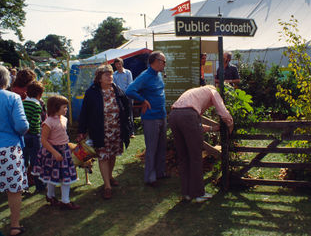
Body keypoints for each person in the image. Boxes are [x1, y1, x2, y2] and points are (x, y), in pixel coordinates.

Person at [168, 85, 234, 203]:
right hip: (188, 116)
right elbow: (223, 111)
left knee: (183, 157)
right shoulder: (212, 91)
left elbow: (194, 124)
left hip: (173, 116)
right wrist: (230, 125)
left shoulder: (193, 93)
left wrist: (213, 129)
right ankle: (198, 193)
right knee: (195, 157)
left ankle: (186, 193)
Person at [78, 64, 134, 199]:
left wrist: (129, 127)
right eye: (107, 75)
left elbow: (127, 109)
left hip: (116, 130)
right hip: (100, 130)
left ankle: (109, 176)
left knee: (113, 154)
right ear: (99, 78)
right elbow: (84, 112)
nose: (110, 77)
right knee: (103, 156)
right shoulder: (92, 92)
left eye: (111, 74)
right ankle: (107, 186)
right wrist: (82, 130)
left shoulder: (117, 90)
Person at [126, 51, 168, 187]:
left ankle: (160, 173)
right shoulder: (145, 76)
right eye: (163, 61)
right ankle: (150, 178)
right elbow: (130, 90)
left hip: (162, 115)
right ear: (155, 61)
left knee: (162, 146)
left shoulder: (158, 74)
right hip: (151, 118)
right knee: (152, 148)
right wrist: (142, 100)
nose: (165, 64)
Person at [32, 95, 80, 210]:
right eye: (64, 107)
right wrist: (54, 152)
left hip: (64, 151)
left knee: (64, 176)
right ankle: (62, 200)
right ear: (55, 107)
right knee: (53, 176)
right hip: (53, 153)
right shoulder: (48, 122)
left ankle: (55, 197)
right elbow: (43, 140)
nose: (66, 109)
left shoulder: (64, 119)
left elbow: (63, 135)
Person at [0, 65, 29, 236]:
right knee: (13, 189)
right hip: (9, 149)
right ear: (6, 79)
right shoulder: (12, 97)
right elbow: (21, 126)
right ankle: (15, 226)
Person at [22, 81, 46, 193]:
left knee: (24, 161)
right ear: (39, 94)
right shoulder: (37, 105)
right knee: (36, 161)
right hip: (34, 135)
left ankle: (23, 185)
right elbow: (35, 123)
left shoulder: (22, 103)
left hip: (23, 135)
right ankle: (39, 185)